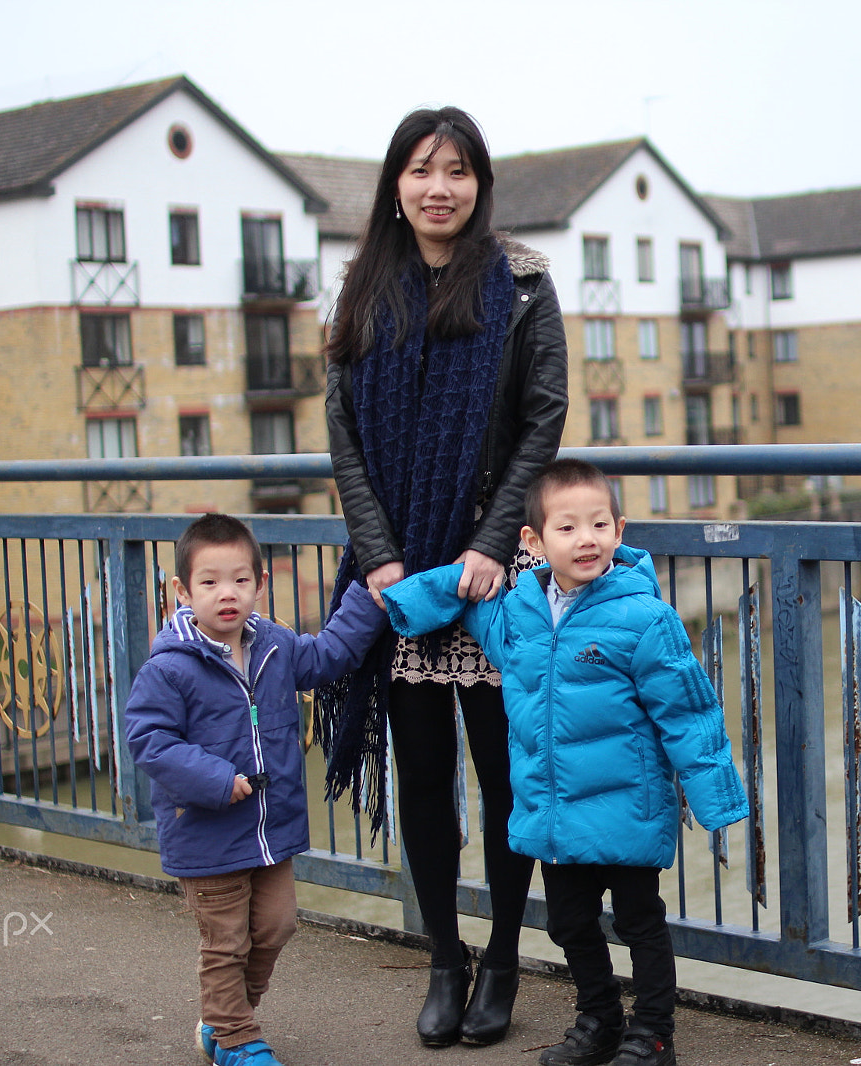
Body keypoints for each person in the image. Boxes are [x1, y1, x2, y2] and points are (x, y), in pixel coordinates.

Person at [322, 105, 568, 1049]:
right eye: (423, 170)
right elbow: (343, 435)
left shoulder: (521, 283)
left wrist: (496, 540)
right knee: (424, 774)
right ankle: (443, 955)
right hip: (401, 577)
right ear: (396, 183)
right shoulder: (361, 290)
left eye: (457, 170)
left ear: (479, 183)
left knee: (505, 778)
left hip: (493, 573)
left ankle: (504, 954)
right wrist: (381, 557)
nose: (440, 187)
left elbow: (543, 419)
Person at [380, 459, 751, 1066]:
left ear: (620, 530)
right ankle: (600, 1018)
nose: (587, 540)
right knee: (570, 925)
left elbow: (689, 711)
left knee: (640, 924)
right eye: (568, 528)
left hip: (629, 806)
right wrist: (403, 601)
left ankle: (653, 1032)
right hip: (553, 812)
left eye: (600, 525)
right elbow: (461, 591)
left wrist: (714, 796)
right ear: (532, 542)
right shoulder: (519, 615)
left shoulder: (644, 616)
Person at [124, 513, 386, 1066]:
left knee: (276, 925)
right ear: (182, 590)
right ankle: (237, 1039)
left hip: (271, 827)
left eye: (241, 581)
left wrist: (370, 596)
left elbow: (329, 656)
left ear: (260, 585)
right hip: (207, 830)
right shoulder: (170, 666)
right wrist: (217, 779)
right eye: (210, 582)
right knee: (226, 942)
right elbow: (149, 740)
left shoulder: (274, 646)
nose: (227, 594)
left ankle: (222, 1021)